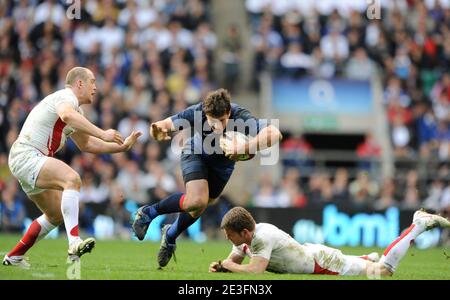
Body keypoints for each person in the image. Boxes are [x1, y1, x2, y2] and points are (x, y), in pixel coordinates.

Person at [3, 67, 142, 268]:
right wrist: (103, 133)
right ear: (79, 84)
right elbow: (67, 115)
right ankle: (74, 242)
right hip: (27, 154)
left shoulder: (76, 110)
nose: (96, 87)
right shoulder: (66, 97)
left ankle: (14, 257)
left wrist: (122, 147)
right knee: (72, 179)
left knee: (55, 215)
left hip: (26, 158)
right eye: (92, 81)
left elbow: (87, 144)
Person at [132, 88, 282, 268]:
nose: (217, 127)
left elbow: (274, 134)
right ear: (206, 114)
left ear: (228, 112)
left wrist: (244, 147)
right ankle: (149, 212)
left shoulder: (240, 116)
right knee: (196, 200)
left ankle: (170, 235)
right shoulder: (197, 111)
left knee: (199, 206)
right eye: (212, 123)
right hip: (195, 154)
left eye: (222, 121)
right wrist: (156, 131)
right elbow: (163, 124)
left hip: (222, 167)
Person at [209, 207, 450, 276]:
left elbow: (254, 272)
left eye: (230, 235)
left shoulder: (262, 237)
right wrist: (223, 266)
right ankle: (366, 258)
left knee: (381, 272)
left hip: (322, 262)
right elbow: (235, 260)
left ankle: (417, 225)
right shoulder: (245, 240)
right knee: (368, 265)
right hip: (314, 255)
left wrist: (232, 267)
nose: (228, 240)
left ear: (245, 232)